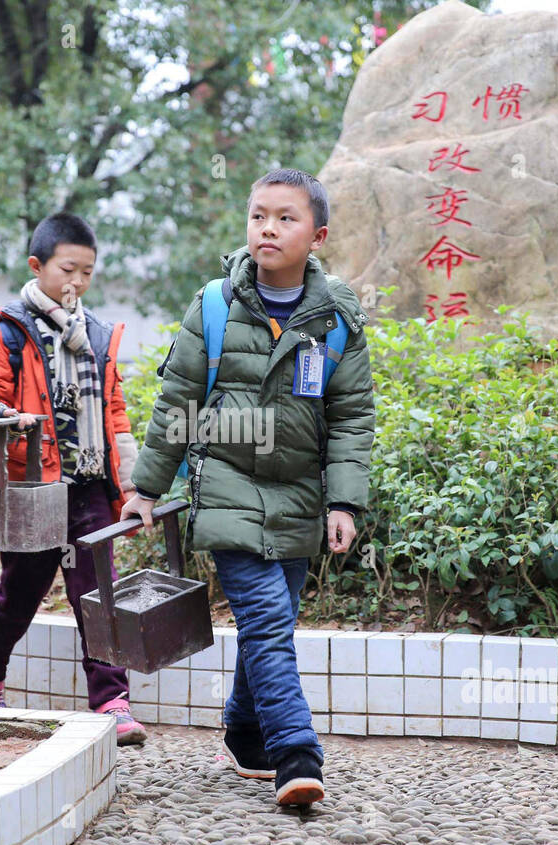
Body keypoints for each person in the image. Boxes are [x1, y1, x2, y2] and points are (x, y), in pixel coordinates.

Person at [122, 169, 376, 806]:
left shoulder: (338, 317)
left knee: (276, 620)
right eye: (259, 214)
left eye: (286, 217)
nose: (269, 227)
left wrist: (343, 501)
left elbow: (351, 417)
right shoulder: (213, 304)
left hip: (299, 496)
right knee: (267, 621)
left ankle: (241, 731)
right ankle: (295, 754)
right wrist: (146, 489)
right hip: (228, 489)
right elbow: (176, 401)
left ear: (317, 235)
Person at [0, 212, 148, 745]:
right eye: (68, 269)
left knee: (99, 595)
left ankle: (113, 700)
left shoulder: (98, 333)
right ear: (37, 266)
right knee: (20, 591)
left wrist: (130, 488)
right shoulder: (8, 332)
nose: (78, 282)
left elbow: (114, 414)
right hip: (30, 484)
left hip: (89, 486)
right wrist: (0, 418)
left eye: (87, 272)